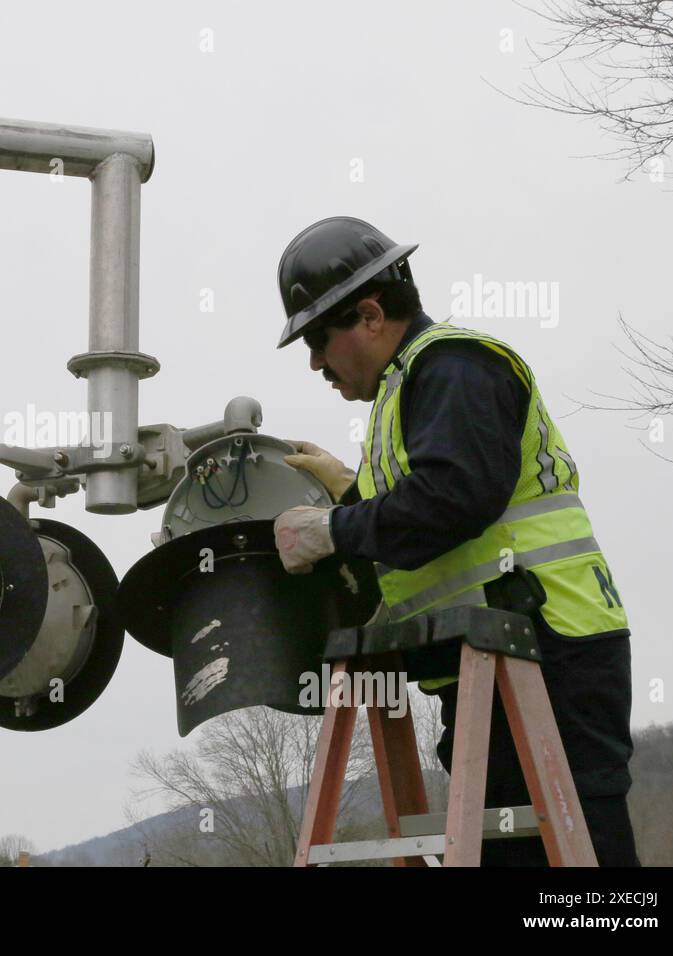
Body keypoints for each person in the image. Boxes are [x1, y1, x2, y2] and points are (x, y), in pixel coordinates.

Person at [271, 216, 640, 866]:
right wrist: (348, 497)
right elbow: (421, 512)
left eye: (320, 340)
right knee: (514, 853)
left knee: (582, 854)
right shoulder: (409, 391)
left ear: (370, 313)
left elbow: (454, 498)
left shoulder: (454, 366)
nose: (315, 362)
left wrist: (334, 529)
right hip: (492, 660)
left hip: (550, 648)